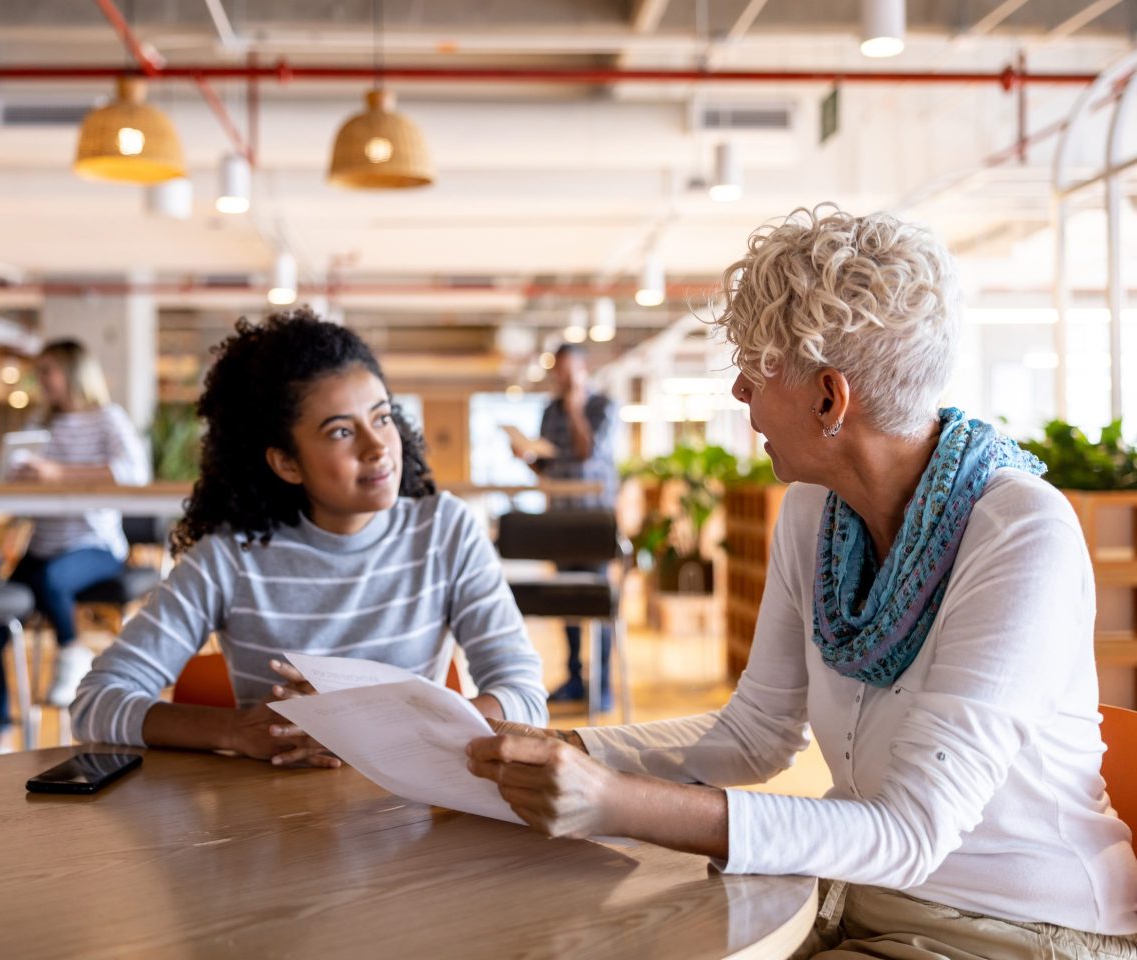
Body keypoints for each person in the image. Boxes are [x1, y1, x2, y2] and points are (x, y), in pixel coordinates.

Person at [467, 207, 1137, 957]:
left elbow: (911, 832)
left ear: (828, 398)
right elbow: (755, 737)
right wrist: (568, 747)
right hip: (855, 895)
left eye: (757, 368)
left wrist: (615, 803)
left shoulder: (1020, 533)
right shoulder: (813, 512)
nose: (740, 394)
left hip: (1014, 928)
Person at [71, 307, 547, 765]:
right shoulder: (232, 556)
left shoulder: (444, 530)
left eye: (382, 418)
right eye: (342, 432)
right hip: (269, 822)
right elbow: (97, 702)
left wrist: (372, 725)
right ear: (286, 462)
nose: (377, 447)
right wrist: (237, 732)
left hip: (413, 818)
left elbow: (523, 697)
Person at [0, 338, 151, 715]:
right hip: (43, 543)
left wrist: (59, 473)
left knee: (52, 578)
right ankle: (0, 721)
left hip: (96, 545)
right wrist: (1, 473)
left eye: (47, 371)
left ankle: (71, 651)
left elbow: (133, 473)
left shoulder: (108, 418)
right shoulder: (41, 424)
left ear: (73, 373)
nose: (41, 379)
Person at [519, 343, 619, 712]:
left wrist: (576, 408)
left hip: (594, 523)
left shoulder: (602, 407)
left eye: (566, 370)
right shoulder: (548, 411)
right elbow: (548, 467)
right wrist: (527, 456)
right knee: (566, 603)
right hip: (559, 522)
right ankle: (575, 678)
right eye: (556, 371)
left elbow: (587, 453)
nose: (560, 378)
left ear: (582, 369)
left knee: (598, 604)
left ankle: (602, 684)